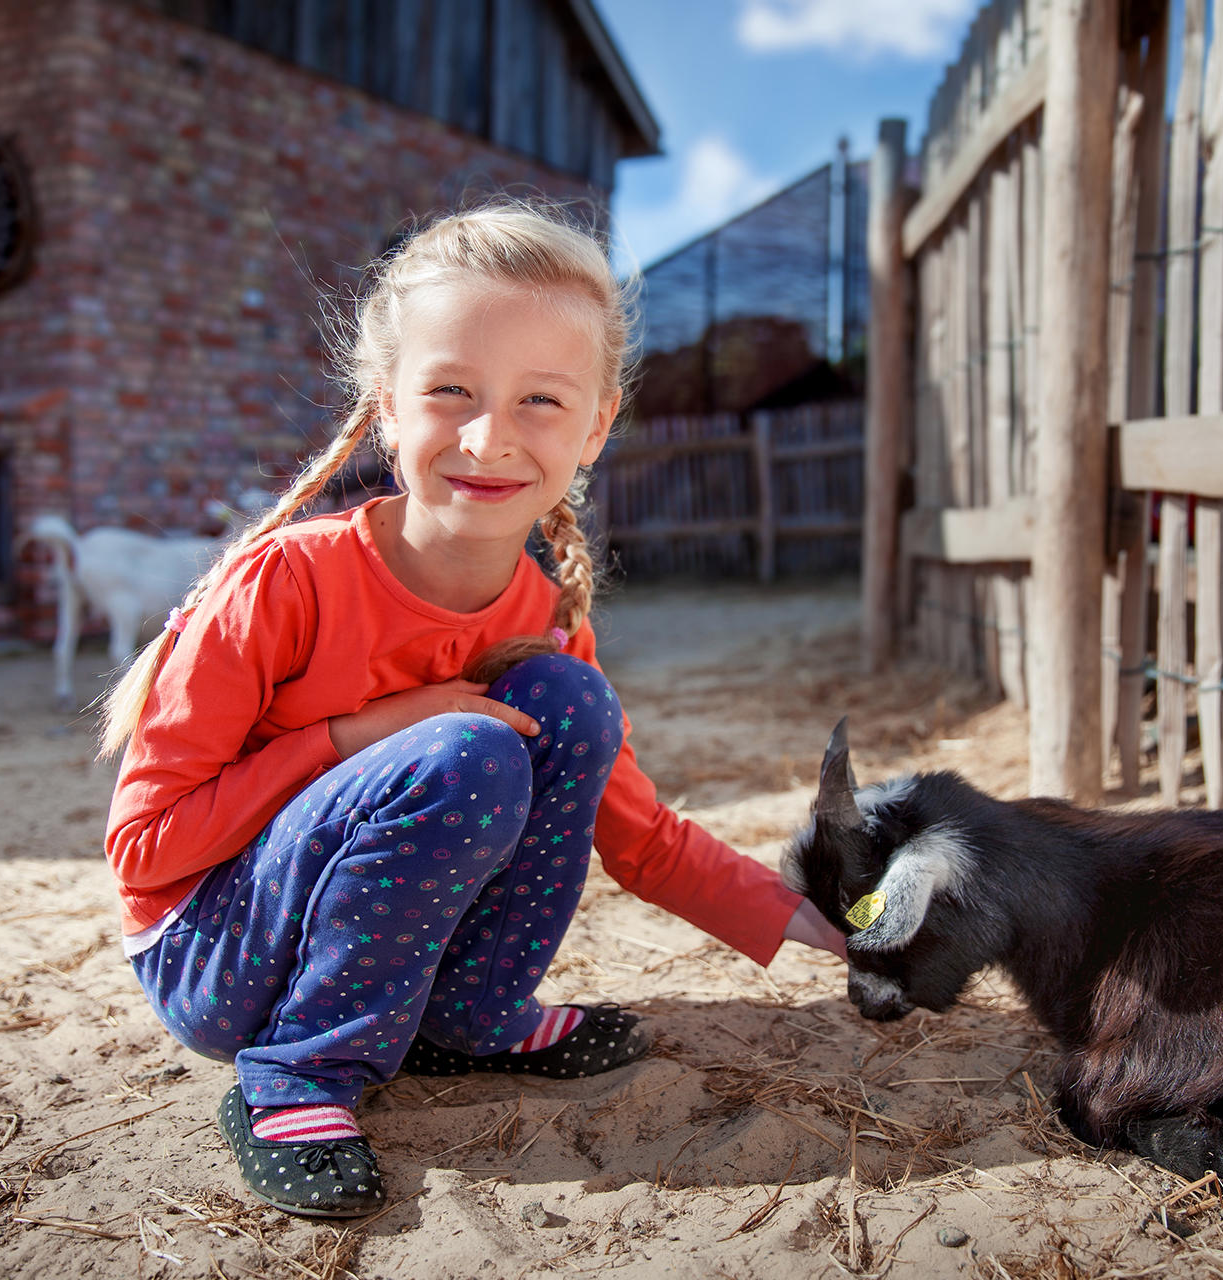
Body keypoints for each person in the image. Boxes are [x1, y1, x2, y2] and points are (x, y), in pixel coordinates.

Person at [98, 202, 848, 1219]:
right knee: (462, 751)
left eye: (542, 399)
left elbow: (641, 836)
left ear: (595, 426)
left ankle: (472, 1015)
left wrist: (830, 925)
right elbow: (143, 850)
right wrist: (361, 732)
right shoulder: (286, 582)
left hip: (371, 943)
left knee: (562, 706)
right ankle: (298, 1077)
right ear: (387, 406)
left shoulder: (544, 616)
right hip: (215, 957)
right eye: (451, 389)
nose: (491, 436)